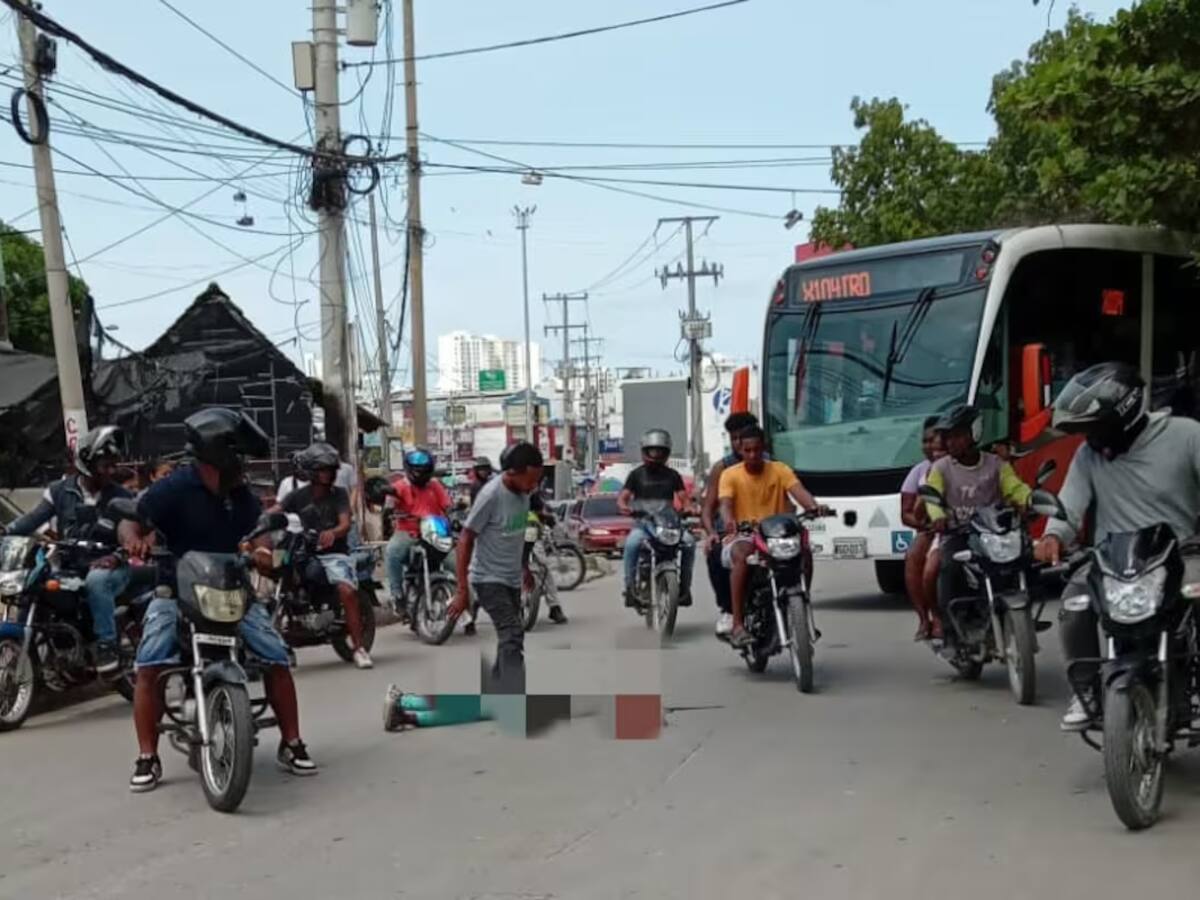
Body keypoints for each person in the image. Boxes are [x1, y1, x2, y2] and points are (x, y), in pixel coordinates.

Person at [120, 408, 316, 792]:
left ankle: (292, 742)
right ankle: (147, 755)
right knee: (149, 663)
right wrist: (133, 540)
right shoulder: (173, 488)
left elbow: (259, 533)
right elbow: (133, 519)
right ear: (220, 453)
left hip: (231, 592)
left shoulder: (240, 496)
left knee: (276, 656)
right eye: (240, 455)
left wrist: (264, 552)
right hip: (174, 591)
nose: (244, 465)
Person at [1033, 362, 1200, 730]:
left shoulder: (1186, 436)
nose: (1089, 438)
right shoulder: (1087, 456)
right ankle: (1086, 691)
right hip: (1112, 559)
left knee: (1197, 592)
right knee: (1074, 601)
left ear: (1122, 416)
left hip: (1182, 551)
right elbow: (1070, 505)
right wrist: (1052, 536)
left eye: (1095, 428)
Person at [6, 425, 131, 674]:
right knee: (34, 585)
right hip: (70, 568)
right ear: (87, 462)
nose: (110, 471)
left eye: (113, 465)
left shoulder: (122, 496)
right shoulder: (59, 491)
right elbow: (31, 520)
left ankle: (106, 644)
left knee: (96, 581)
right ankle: (28, 649)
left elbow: (133, 537)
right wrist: (7, 531)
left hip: (111, 567)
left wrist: (116, 557)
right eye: (104, 465)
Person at [924, 405, 1031, 641]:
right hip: (958, 533)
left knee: (1025, 559)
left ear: (974, 433)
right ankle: (951, 631)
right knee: (949, 567)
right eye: (947, 437)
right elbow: (932, 496)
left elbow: (1015, 487)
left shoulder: (996, 464)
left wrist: (1028, 500)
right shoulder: (940, 468)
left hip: (993, 533)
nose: (950, 443)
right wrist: (938, 516)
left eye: (956, 436)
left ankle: (1020, 611)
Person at [447, 441, 545, 694]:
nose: (534, 486)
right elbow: (465, 538)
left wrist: (524, 567)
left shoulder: (524, 495)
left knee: (508, 637)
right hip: (488, 579)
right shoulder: (490, 496)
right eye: (531, 479)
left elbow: (516, 534)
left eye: (537, 479)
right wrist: (462, 590)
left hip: (511, 578)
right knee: (512, 633)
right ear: (512, 473)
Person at [718, 426, 826, 647]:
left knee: (804, 552)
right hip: (745, 535)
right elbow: (725, 504)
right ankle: (737, 624)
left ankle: (802, 606)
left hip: (776, 534)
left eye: (757, 450)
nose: (753, 455)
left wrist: (813, 506)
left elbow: (800, 492)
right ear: (740, 450)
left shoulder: (780, 469)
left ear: (764, 448)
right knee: (741, 556)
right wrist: (730, 521)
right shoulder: (730, 475)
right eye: (747, 450)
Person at [271, 442, 373, 670]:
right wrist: (260, 521)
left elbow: (345, 523)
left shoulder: (339, 495)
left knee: (347, 591)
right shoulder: (297, 495)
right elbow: (275, 510)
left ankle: (359, 648)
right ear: (311, 471)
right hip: (301, 550)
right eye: (321, 470)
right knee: (279, 578)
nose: (327, 474)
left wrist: (333, 533)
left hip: (333, 553)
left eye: (329, 469)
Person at [617, 429, 696, 609]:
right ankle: (630, 587)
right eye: (652, 450)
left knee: (689, 543)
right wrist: (624, 506)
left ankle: (684, 588)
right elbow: (623, 497)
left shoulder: (673, 475)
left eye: (660, 451)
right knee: (631, 544)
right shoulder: (636, 475)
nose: (656, 454)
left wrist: (689, 508)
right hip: (643, 524)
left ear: (666, 452)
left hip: (668, 524)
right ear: (645, 451)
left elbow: (684, 498)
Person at [701, 412, 762, 637]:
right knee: (715, 553)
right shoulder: (722, 468)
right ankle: (728, 609)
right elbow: (709, 507)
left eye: (741, 438)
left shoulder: (772, 463)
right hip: (730, 531)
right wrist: (711, 533)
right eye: (733, 438)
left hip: (764, 528)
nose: (737, 443)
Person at [384, 448, 453, 610]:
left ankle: (467, 601)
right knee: (392, 552)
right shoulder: (399, 486)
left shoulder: (435, 485)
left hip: (436, 531)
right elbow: (389, 503)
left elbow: (448, 505)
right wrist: (388, 508)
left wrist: (454, 515)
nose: (420, 475)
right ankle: (397, 593)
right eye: (416, 471)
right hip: (408, 531)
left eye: (424, 471)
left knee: (456, 562)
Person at [900, 417, 945, 640]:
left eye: (935, 441)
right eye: (925, 441)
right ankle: (926, 618)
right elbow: (908, 514)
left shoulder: (957, 466)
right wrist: (926, 524)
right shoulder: (919, 472)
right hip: (932, 529)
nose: (930, 446)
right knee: (914, 556)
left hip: (963, 526)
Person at [526, 490, 568, 624]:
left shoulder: (533, 494)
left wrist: (547, 518)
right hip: (509, 538)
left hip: (531, 536)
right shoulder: (504, 493)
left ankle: (554, 607)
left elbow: (540, 511)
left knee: (544, 569)